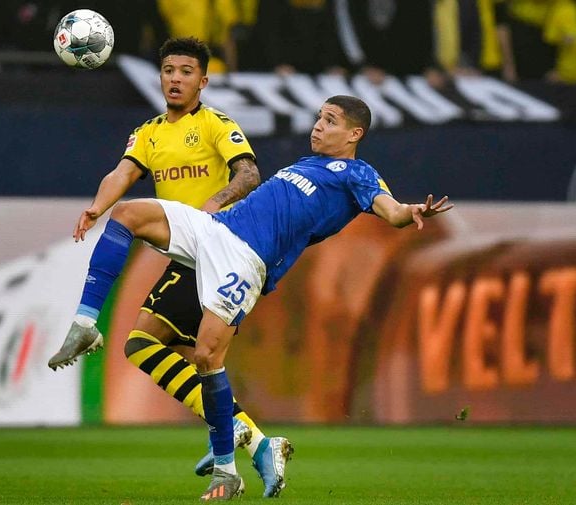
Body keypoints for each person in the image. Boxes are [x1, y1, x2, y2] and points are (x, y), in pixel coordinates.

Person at [53, 94, 453, 500]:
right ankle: (86, 324)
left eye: (330, 121)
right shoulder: (307, 163)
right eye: (318, 117)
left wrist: (411, 211)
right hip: (215, 229)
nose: (317, 126)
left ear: (354, 133)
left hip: (245, 261)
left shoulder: (358, 174)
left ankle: (228, 470)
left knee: (208, 357)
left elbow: (391, 210)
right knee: (126, 214)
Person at [47, 37, 293, 498]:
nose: (175, 79)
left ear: (203, 80)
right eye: (168, 70)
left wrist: (215, 203)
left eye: (185, 71)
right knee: (153, 348)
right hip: (186, 257)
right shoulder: (150, 132)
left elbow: (249, 174)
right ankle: (255, 440)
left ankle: (86, 322)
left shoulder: (218, 125)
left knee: (155, 345)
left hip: (220, 252)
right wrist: (97, 208)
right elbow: (123, 172)